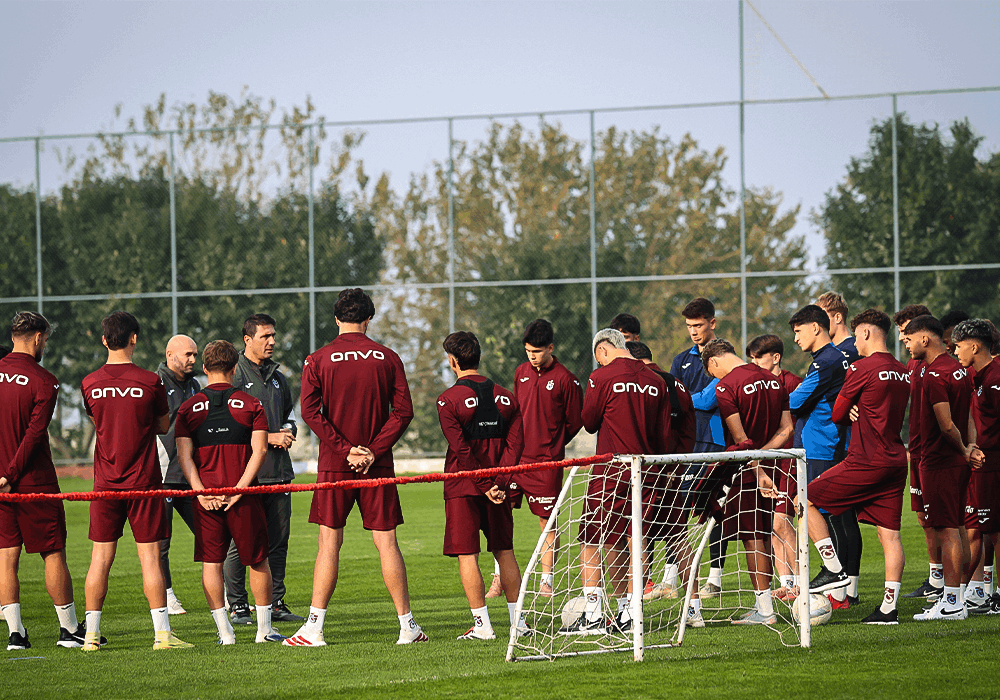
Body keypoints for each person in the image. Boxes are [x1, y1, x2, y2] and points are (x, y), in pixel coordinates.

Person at [287, 288, 425, 647]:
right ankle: (407, 627)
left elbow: (309, 412)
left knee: (328, 544)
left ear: (336, 319)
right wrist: (373, 451)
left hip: (335, 466)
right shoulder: (388, 357)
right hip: (377, 467)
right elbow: (404, 412)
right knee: (388, 543)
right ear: (368, 318)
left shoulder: (317, 359)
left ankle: (314, 629)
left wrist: (345, 450)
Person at [80, 311, 192, 650]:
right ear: (135, 338)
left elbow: (98, 422)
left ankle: (90, 636)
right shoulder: (149, 381)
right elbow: (162, 426)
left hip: (105, 485)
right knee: (150, 558)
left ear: (103, 340)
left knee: (100, 559)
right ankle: (162, 636)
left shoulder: (89, 382)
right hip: (144, 482)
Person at [799, 310, 911, 624]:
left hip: (865, 459)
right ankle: (888, 609)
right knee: (890, 537)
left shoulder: (862, 368)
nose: (854, 345)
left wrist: (849, 407)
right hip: (895, 461)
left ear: (864, 333)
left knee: (804, 498)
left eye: (856, 338)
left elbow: (837, 414)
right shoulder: (903, 371)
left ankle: (833, 569)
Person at [560, 329, 676, 634]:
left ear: (602, 351)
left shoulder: (602, 377)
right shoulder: (657, 381)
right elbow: (664, 434)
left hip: (611, 470)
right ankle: (628, 611)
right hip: (648, 470)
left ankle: (595, 611)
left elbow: (589, 421)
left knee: (592, 536)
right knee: (635, 538)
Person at [175, 340, 284, 644]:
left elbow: (184, 456)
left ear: (205, 369)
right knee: (258, 560)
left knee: (212, 562)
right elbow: (260, 450)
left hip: (205, 498)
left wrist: (199, 493)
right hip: (244, 496)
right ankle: (264, 631)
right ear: (235, 369)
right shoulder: (252, 404)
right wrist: (239, 489)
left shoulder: (188, 408)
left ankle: (226, 633)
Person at [0, 312, 89, 650]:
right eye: (46, 340)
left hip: (1, 485)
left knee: (6, 557)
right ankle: (68, 631)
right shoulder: (44, 380)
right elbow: (35, 434)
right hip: (33, 482)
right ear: (38, 337)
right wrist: (11, 473)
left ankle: (16, 635)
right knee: (53, 554)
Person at [435, 331, 526, 641]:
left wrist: (484, 482)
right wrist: (499, 482)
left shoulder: (448, 399)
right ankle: (518, 623)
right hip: (499, 488)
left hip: (464, 487)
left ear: (452, 361)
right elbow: (516, 445)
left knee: (468, 555)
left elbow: (460, 449)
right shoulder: (507, 397)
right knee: (505, 551)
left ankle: (483, 626)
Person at [703, 338, 794, 625]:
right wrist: (765, 460)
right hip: (774, 464)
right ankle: (765, 606)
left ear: (714, 361)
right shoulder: (774, 379)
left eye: (711, 371)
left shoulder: (725, 386)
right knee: (765, 533)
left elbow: (742, 441)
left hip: (748, 470)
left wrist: (756, 468)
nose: (714, 378)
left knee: (752, 535)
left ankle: (765, 611)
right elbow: (787, 428)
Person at [491, 319, 582, 599]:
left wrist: (553, 444)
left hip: (545, 464)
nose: (532, 356)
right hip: (517, 460)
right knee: (500, 515)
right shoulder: (521, 372)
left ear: (550, 348)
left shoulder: (566, 379)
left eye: (537, 351)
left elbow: (575, 421)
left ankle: (547, 581)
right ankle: (499, 577)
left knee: (547, 522)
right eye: (528, 351)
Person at [225, 314, 302, 626]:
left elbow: (290, 417)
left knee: (278, 542)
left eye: (273, 335)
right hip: (246, 474)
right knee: (239, 543)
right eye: (265, 336)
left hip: (279, 472)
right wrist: (269, 437)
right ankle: (238, 606)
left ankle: (275, 602)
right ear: (247, 339)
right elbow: (227, 427)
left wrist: (288, 431)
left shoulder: (278, 377)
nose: (271, 341)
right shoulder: (232, 376)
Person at [904, 315, 975, 621]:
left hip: (939, 461)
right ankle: (957, 599)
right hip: (957, 462)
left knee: (947, 533)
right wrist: (971, 449)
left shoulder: (934, 374)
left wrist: (961, 447)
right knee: (958, 529)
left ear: (926, 339)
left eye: (909, 338)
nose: (905, 344)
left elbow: (946, 425)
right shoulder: (959, 370)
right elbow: (969, 416)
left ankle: (952, 603)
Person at [787, 304, 852, 608]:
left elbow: (795, 401)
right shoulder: (833, 359)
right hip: (827, 446)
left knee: (808, 507)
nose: (795, 338)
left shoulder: (825, 362)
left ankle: (834, 572)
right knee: (828, 517)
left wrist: (764, 396)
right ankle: (839, 591)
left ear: (816, 327)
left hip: (819, 448)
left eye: (798, 331)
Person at [626, 340, 697, 601]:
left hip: (650, 470)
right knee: (679, 537)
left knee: (639, 533)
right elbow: (690, 429)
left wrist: (660, 465)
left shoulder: (644, 384)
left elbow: (652, 428)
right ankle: (694, 607)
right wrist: (677, 465)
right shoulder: (677, 384)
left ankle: (633, 608)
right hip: (674, 471)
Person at [669, 298, 727, 596]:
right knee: (677, 507)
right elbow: (673, 399)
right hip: (687, 443)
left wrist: (687, 401)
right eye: (689, 326)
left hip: (716, 442)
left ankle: (714, 578)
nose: (693, 331)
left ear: (712, 323)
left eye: (698, 325)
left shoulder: (725, 357)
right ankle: (670, 577)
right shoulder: (681, 360)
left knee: (715, 509)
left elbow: (707, 400)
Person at [893, 304, 945, 602]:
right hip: (918, 450)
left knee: (949, 521)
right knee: (925, 516)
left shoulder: (942, 365)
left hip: (938, 453)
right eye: (902, 333)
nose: (904, 338)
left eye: (907, 332)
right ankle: (936, 577)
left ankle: (962, 585)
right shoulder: (912, 366)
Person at [816, 292, 864, 602]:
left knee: (840, 516)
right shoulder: (834, 352)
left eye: (820, 317)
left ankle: (845, 590)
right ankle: (848, 591)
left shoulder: (850, 352)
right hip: (836, 442)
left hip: (845, 445)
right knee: (839, 516)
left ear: (836, 318)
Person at [746, 334, 802, 599]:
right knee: (773, 525)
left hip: (789, 461)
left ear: (776, 357)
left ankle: (800, 581)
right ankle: (787, 583)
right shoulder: (757, 385)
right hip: (769, 464)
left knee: (782, 522)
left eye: (759, 358)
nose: (754, 363)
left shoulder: (791, 382)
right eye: (752, 359)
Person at [951, 319, 999, 614]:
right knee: (984, 529)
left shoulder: (995, 377)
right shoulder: (974, 376)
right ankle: (979, 591)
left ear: (974, 345)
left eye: (957, 345)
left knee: (996, 531)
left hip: (993, 462)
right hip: (981, 461)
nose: (955, 351)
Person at [156, 334, 200, 616]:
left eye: (195, 354)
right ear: (170, 355)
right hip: (161, 475)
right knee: (161, 542)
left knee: (211, 533)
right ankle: (168, 596)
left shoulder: (195, 385)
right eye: (188, 355)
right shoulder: (154, 384)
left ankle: (225, 593)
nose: (193, 360)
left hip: (191, 474)